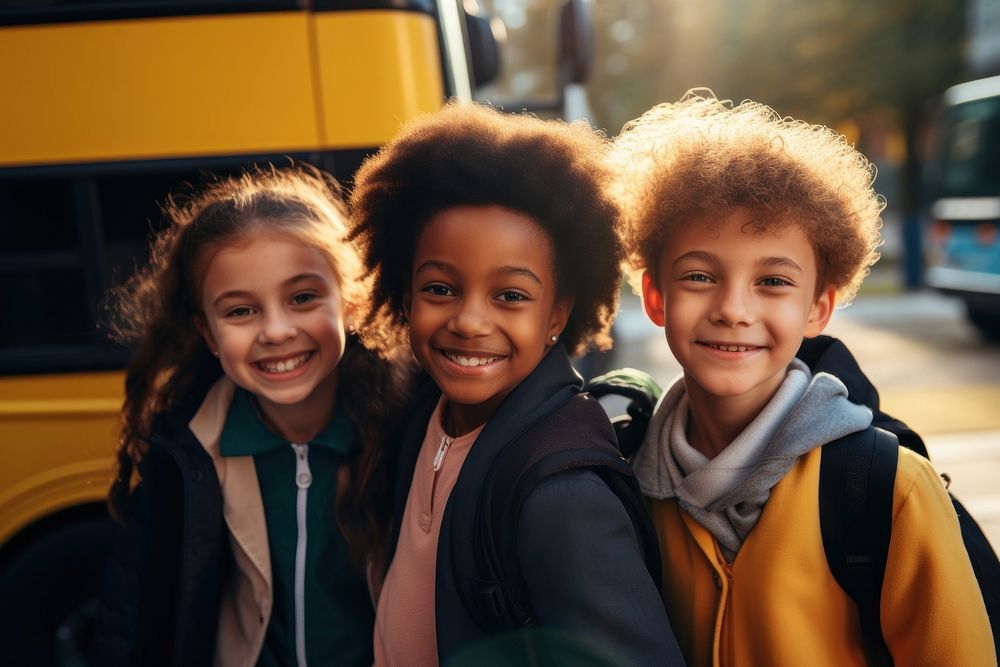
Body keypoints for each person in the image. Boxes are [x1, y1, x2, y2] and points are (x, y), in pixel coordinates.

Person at [609, 92, 996, 666]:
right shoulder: (623, 485)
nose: (734, 308)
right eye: (699, 276)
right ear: (656, 296)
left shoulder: (888, 490)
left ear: (818, 307)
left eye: (772, 281)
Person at [349, 102, 685, 666]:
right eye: (440, 288)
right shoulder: (419, 415)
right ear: (404, 295)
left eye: (510, 295)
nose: (470, 321)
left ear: (557, 316)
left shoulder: (562, 493)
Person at [92, 164, 412, 667]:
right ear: (207, 333)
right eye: (241, 311)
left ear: (350, 302)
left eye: (303, 298)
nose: (277, 331)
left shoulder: (410, 431)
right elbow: (131, 615)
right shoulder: (184, 452)